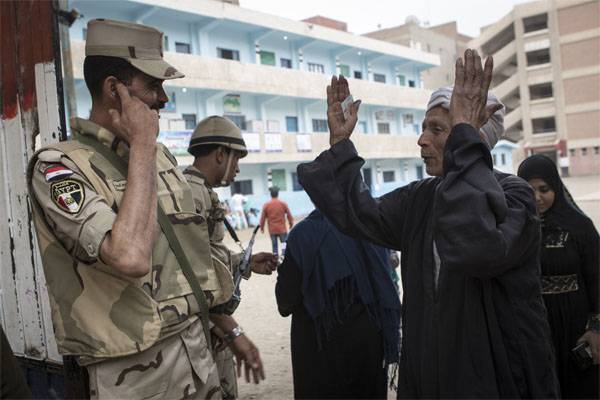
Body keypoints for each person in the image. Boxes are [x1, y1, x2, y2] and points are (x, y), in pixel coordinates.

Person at [297, 49, 560, 398]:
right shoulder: (421, 198)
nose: (422, 140)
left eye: (437, 129)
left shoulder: (515, 197)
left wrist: (465, 134)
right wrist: (341, 144)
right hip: (427, 376)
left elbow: (478, 248)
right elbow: (358, 215)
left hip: (495, 380)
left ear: (473, 136)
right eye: (423, 128)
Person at [26, 19, 262, 399]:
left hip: (197, 353)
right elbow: (130, 257)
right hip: (134, 377)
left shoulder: (160, 158)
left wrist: (231, 331)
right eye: (153, 86)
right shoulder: (58, 168)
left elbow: (190, 269)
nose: (164, 99)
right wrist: (141, 146)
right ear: (113, 90)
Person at [183, 115, 278, 398]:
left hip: (212, 327)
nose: (237, 169)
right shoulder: (191, 194)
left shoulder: (202, 191)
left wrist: (244, 262)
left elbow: (206, 256)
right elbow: (188, 271)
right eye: (236, 160)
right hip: (205, 326)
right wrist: (230, 329)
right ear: (221, 154)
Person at [275, 209, 401, 399]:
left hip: (319, 351)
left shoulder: (304, 234)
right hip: (370, 344)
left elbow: (286, 302)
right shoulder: (371, 225)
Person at [518, 154, 599, 399]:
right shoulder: (515, 227)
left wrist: (596, 328)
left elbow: (597, 278)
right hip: (533, 326)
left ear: (556, 187)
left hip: (576, 327)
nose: (537, 197)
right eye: (529, 190)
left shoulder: (579, 227)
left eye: (544, 189)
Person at [260, 187, 294, 257]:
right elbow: (289, 215)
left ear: (271, 194)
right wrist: (291, 223)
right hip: (282, 229)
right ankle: (284, 256)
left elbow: (263, 218)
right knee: (284, 244)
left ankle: (275, 258)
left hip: (272, 230)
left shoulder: (266, 205)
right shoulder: (283, 204)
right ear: (278, 194)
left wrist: (262, 227)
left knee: (274, 245)